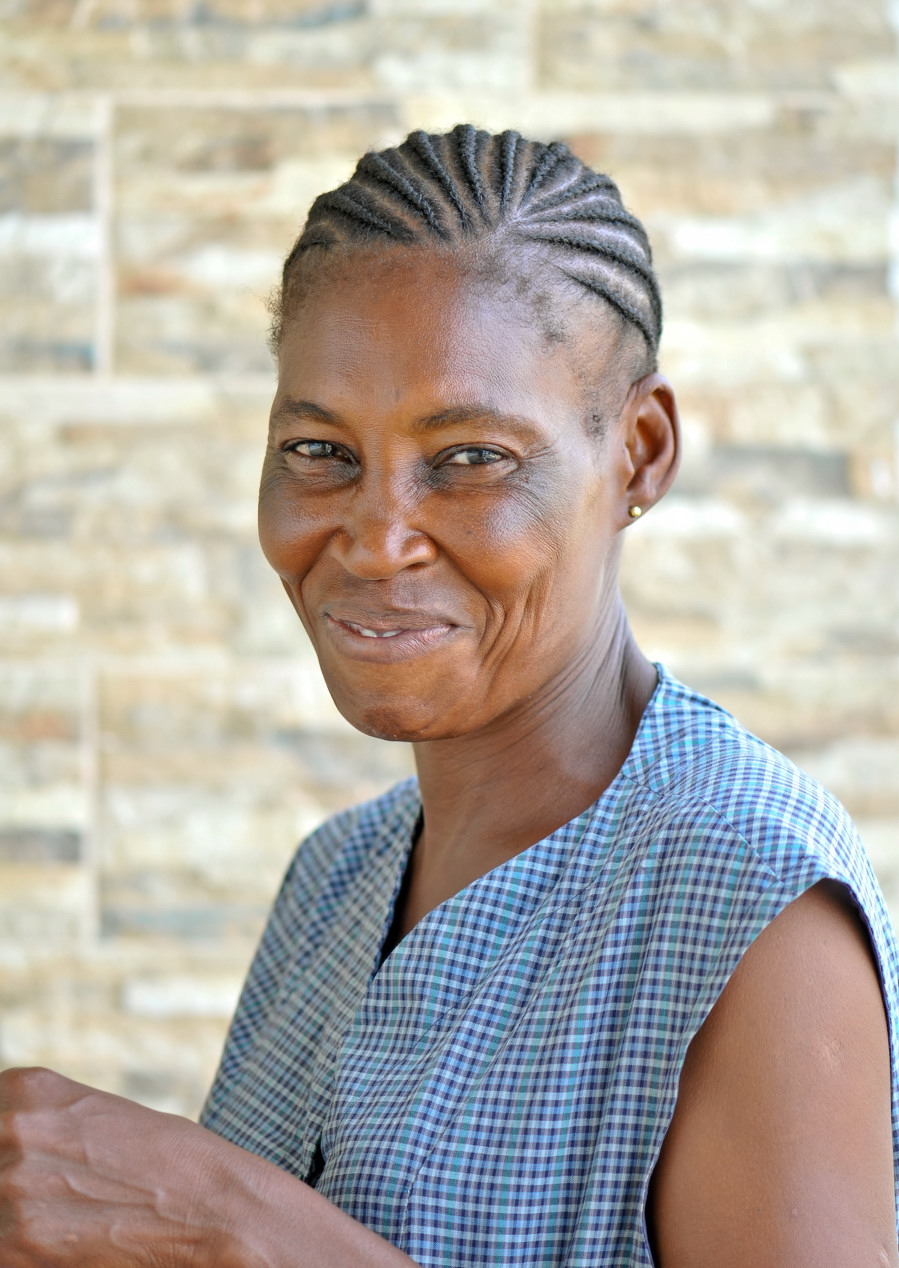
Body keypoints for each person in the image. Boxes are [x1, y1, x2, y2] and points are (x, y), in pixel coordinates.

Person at [1, 124, 897, 1268]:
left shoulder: (746, 893)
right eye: (318, 449)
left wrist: (232, 1222)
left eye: (470, 457)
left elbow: (241, 1235)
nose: (376, 539)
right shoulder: (336, 878)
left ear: (638, 451)